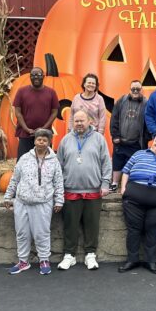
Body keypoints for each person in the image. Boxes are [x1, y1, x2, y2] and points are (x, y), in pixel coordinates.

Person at [56, 109, 111, 270]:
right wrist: (58, 188)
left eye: (82, 120)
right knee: (70, 225)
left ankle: (90, 255)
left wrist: (105, 183)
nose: (79, 123)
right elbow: (58, 166)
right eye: (76, 121)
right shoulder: (65, 140)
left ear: (90, 121)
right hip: (70, 190)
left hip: (93, 189)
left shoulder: (99, 139)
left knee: (92, 225)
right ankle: (69, 255)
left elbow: (106, 162)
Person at [4, 129, 64, 275]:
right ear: (34, 141)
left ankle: (44, 259)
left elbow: (58, 182)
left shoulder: (54, 161)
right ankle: (23, 261)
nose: (41, 142)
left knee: (41, 233)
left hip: (43, 203)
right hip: (22, 201)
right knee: (22, 233)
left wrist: (59, 200)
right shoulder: (24, 158)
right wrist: (8, 196)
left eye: (44, 140)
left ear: (49, 142)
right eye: (39, 139)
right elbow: (15, 178)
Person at [118, 133, 156, 274]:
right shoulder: (139, 154)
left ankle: (151, 261)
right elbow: (126, 171)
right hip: (134, 197)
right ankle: (132, 259)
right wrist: (123, 188)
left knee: (153, 229)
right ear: (152, 142)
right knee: (134, 229)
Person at [13, 67, 59, 160]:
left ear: (43, 76)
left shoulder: (51, 92)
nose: (35, 77)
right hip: (25, 133)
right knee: (23, 160)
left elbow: (54, 112)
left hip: (45, 134)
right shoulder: (21, 91)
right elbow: (17, 112)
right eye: (33, 75)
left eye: (38, 75)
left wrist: (44, 128)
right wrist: (26, 128)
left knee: (45, 161)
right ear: (30, 77)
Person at [110, 80, 148, 192]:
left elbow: (149, 121)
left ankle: (130, 185)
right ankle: (115, 183)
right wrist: (115, 135)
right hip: (120, 140)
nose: (135, 91)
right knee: (117, 162)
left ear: (142, 90)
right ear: (129, 90)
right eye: (133, 89)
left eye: (138, 89)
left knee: (134, 165)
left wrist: (145, 138)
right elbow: (114, 118)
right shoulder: (121, 100)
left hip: (136, 142)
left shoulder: (146, 103)